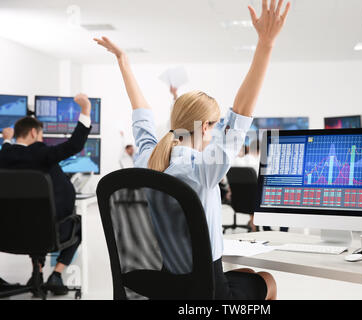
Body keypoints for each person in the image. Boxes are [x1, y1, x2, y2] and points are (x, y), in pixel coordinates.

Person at [94, 0, 290, 300]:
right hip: (206, 291)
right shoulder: (204, 169)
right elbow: (242, 114)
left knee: (248, 276)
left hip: (169, 285)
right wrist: (266, 44)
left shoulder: (149, 158)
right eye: (216, 126)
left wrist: (123, 61)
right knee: (266, 280)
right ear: (205, 127)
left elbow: (141, 113)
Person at [0, 93, 92, 296]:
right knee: (77, 225)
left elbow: (8, 148)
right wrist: (85, 111)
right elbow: (75, 145)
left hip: (8, 233)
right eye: (41, 136)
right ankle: (56, 275)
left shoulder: (3, 156)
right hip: (48, 231)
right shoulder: (41, 153)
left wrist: (7, 140)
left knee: (31, 217)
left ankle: (37, 273)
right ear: (34, 133)